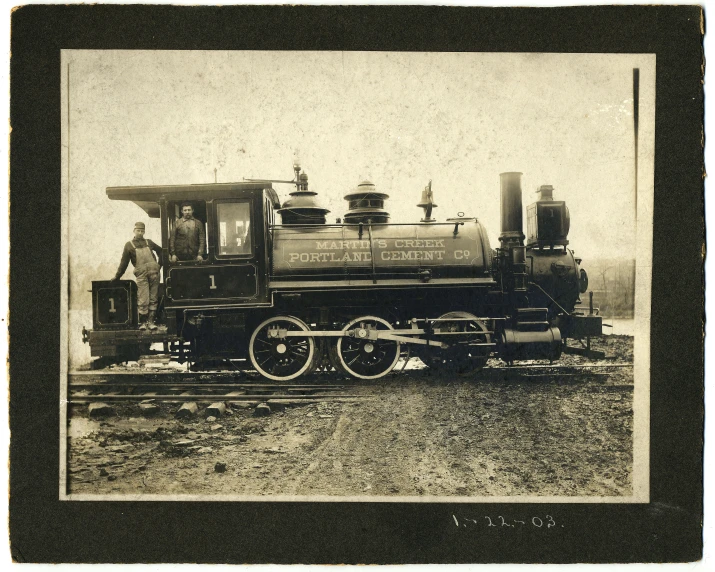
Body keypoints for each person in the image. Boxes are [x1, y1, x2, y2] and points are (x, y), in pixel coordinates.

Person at [112, 222, 163, 331]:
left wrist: (159, 265)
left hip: (155, 273)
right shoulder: (129, 245)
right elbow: (124, 263)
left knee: (153, 298)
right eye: (138, 230)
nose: (140, 233)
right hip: (141, 275)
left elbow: (161, 251)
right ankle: (143, 323)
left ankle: (151, 321)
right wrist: (117, 277)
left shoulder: (149, 242)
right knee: (143, 298)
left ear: (144, 231)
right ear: (134, 230)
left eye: (142, 231)